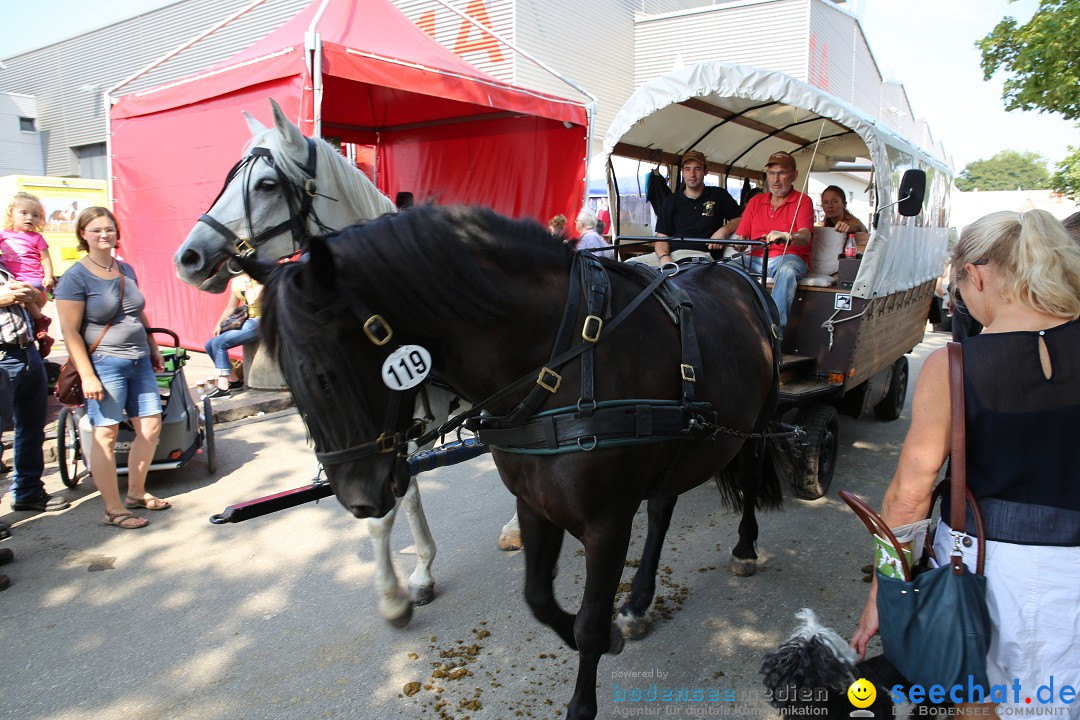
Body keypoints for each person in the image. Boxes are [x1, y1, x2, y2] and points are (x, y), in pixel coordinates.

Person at [851, 210, 1080, 719]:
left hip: (988, 576)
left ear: (976, 275)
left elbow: (908, 498)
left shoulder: (952, 366)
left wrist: (884, 595)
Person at [55, 207, 167, 530]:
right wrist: (87, 374)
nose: (104, 235)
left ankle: (135, 492)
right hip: (105, 364)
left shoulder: (125, 269)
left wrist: (153, 346)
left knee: (151, 427)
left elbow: (136, 312)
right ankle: (114, 508)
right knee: (106, 434)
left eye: (109, 229)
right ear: (83, 235)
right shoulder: (75, 277)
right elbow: (70, 331)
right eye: (96, 230)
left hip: (139, 360)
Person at [0, 256, 65, 523]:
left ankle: (29, 492)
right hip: (3, 357)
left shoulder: (5, 264)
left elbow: (37, 303)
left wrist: (30, 295)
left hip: (26, 353)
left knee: (31, 429)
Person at [730, 151, 815, 334]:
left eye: (782, 173)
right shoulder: (755, 201)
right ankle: (731, 325)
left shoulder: (803, 200)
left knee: (787, 271)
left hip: (789, 258)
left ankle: (772, 331)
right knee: (724, 267)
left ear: (794, 176)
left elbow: (806, 236)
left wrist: (788, 236)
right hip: (756, 259)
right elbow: (742, 238)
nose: (775, 179)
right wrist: (739, 244)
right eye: (771, 173)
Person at [652, 150, 741, 265]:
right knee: (629, 267)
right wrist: (664, 257)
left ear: (705, 171)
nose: (692, 174)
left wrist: (724, 230)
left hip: (701, 256)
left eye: (697, 169)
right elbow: (661, 237)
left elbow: (741, 219)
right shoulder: (670, 202)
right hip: (670, 255)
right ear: (682, 172)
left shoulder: (718, 195)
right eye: (688, 169)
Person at [1, 192, 56, 356]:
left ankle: (40, 321)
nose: (29, 218)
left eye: (35, 215)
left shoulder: (36, 238)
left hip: (31, 278)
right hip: (15, 279)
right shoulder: (4, 234)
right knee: (21, 302)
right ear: (11, 214)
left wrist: (48, 276)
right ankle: (38, 328)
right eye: (23, 213)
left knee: (24, 297)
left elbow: (45, 258)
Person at [204, 274, 262, 398]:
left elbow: (252, 300)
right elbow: (231, 307)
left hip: (262, 319)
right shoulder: (237, 280)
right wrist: (219, 324)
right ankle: (234, 381)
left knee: (219, 344)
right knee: (210, 344)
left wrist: (248, 282)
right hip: (247, 319)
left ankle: (223, 387)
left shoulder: (260, 277)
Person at [819, 185, 869, 252]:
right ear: (822, 206)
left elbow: (857, 226)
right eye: (826, 202)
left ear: (844, 204)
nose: (830, 206)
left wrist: (846, 226)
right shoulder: (826, 222)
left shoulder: (853, 221)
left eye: (835, 201)